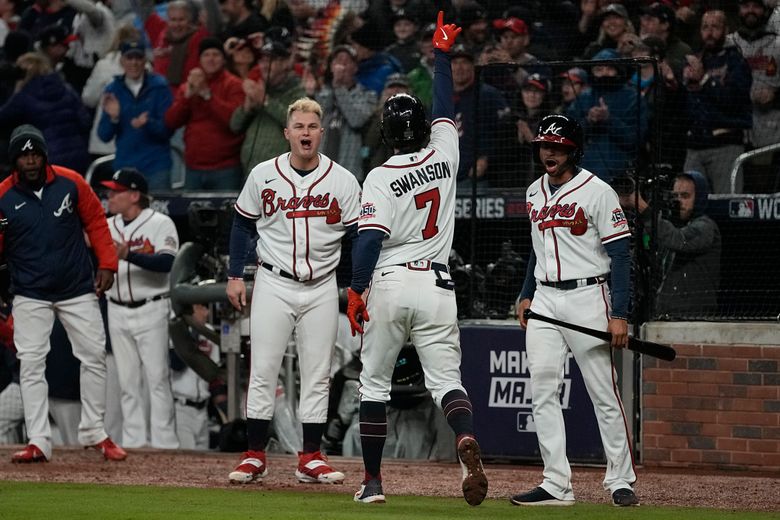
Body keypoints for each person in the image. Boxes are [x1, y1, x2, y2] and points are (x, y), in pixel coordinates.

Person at [345, 12, 488, 506]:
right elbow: (446, 107)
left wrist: (354, 288)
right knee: (447, 381)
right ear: (424, 128)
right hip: (438, 285)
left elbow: (368, 240)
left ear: (386, 133)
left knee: (374, 385)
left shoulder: (381, 176)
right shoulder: (445, 153)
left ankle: (372, 483)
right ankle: (465, 437)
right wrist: (442, 53)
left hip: (389, 280)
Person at [225, 97, 361, 485]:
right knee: (264, 368)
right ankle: (254, 455)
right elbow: (241, 225)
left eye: (312, 127)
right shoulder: (264, 174)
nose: (305, 133)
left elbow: (355, 238)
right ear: (287, 133)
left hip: (321, 285)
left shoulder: (343, 180)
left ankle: (310, 458)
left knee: (318, 372)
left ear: (322, 132)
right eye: (298, 126)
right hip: (273, 281)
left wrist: (357, 286)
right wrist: (235, 274)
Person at [512, 114, 638, 507]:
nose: (549, 152)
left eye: (557, 146)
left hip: (588, 295)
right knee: (543, 389)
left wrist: (620, 313)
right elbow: (537, 251)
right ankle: (555, 483)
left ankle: (621, 479)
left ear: (573, 149)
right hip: (546, 300)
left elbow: (620, 255)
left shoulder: (598, 191)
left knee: (603, 390)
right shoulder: (534, 191)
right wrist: (526, 293)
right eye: (544, 145)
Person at [0, 124, 126, 463]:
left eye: (35, 154)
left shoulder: (71, 182)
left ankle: (94, 431)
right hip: (30, 292)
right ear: (14, 160)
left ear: (44, 155)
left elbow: (97, 222)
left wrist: (107, 263)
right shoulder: (3, 197)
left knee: (94, 355)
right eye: (24, 155)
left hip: (76, 287)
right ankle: (39, 439)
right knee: (30, 363)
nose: (30, 161)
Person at [102, 167, 179, 449]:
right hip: (117, 308)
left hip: (152, 307)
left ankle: (165, 443)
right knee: (127, 382)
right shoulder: (108, 225)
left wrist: (128, 254)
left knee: (157, 379)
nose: (109, 195)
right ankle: (133, 443)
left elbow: (166, 263)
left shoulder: (160, 223)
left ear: (134, 195)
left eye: (115, 190)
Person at [619, 171, 721, 318]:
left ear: (699, 198)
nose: (678, 201)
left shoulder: (706, 227)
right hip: (665, 314)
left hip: (695, 317)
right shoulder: (670, 226)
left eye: (685, 196)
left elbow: (679, 240)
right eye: (675, 196)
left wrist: (642, 207)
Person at [683, 10, 752, 194]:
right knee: (689, 206)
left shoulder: (736, 61)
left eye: (715, 27)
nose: (709, 32)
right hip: (695, 146)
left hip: (725, 145)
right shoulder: (695, 60)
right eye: (705, 27)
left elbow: (735, 100)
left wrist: (704, 79)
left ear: (726, 30)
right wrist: (676, 84)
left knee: (727, 204)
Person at [165, 37, 245, 191]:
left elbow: (235, 121)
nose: (211, 59)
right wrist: (187, 96)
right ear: (200, 60)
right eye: (206, 55)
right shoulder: (189, 85)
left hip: (226, 169)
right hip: (193, 168)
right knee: (192, 214)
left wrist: (208, 96)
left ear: (223, 59)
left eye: (216, 55)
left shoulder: (234, 85)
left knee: (227, 215)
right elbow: (171, 121)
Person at [97, 41, 174, 193]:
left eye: (138, 58)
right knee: (125, 215)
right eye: (129, 58)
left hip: (156, 166)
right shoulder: (112, 90)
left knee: (159, 214)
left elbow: (168, 130)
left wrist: (148, 123)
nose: (134, 63)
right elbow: (104, 135)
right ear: (122, 61)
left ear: (145, 60)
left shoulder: (160, 87)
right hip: (125, 166)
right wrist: (114, 118)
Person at [170, 303, 220, 450]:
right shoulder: (176, 329)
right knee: (187, 460)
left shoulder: (209, 332)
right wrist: (193, 335)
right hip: (182, 409)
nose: (206, 313)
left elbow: (214, 375)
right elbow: (176, 365)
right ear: (192, 308)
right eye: (202, 308)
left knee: (203, 463)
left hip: (203, 410)